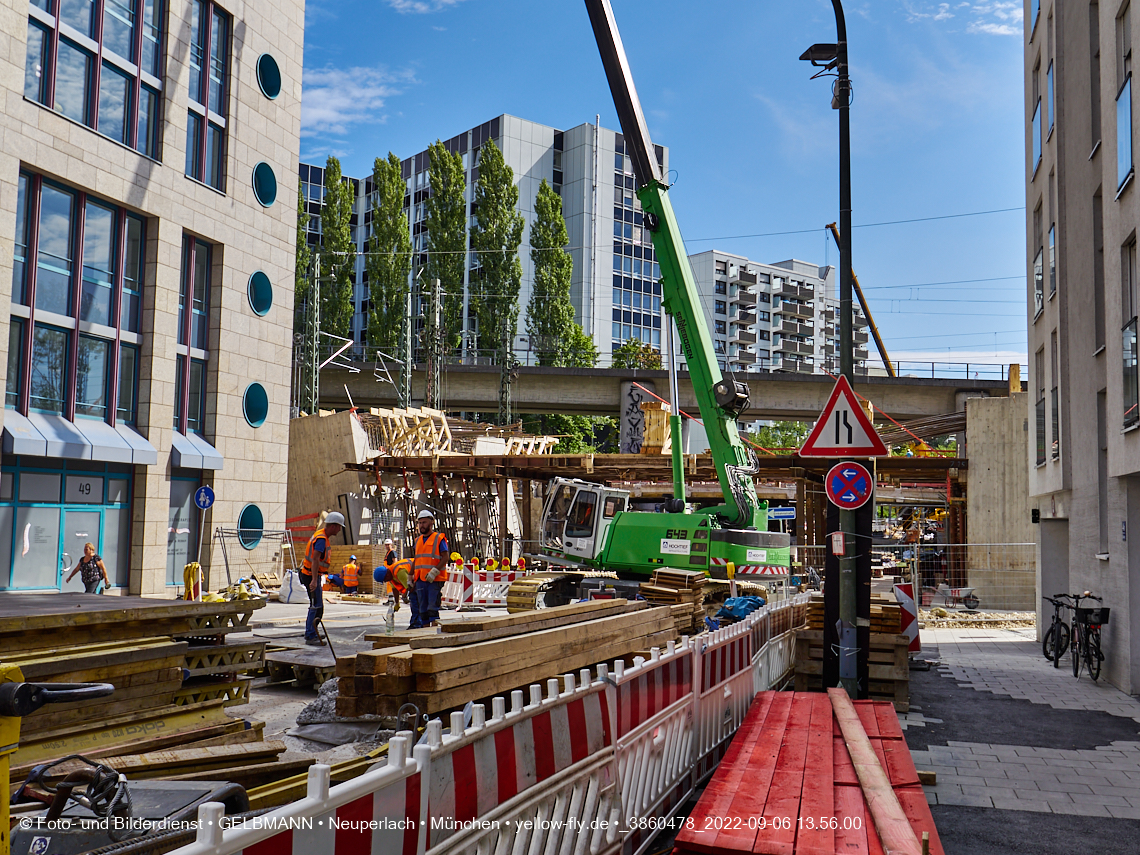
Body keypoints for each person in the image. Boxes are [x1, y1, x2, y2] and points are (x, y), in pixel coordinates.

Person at [299, 511, 344, 646]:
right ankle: (310, 635)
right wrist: (313, 580)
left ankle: (313, 631)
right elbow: (315, 559)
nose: (340, 530)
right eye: (339, 527)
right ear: (333, 526)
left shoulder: (322, 535)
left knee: (319, 607)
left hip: (312, 574)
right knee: (315, 606)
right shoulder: (321, 539)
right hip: (310, 575)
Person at [410, 509, 449, 628]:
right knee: (423, 611)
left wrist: (435, 571)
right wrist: (410, 575)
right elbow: (416, 559)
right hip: (421, 579)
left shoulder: (438, 538)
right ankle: (425, 632)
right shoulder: (418, 541)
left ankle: (434, 633)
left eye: (424, 522)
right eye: (420, 523)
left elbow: (445, 556)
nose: (422, 525)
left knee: (432, 608)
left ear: (431, 523)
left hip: (434, 580)